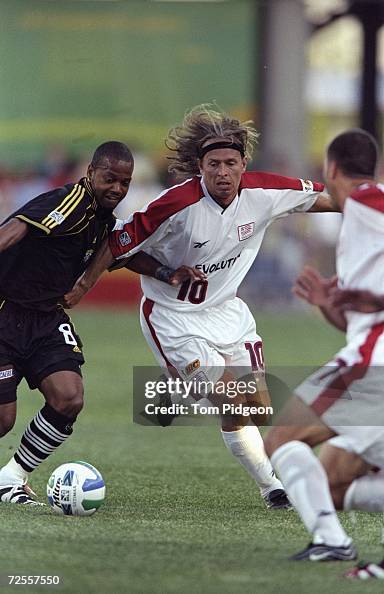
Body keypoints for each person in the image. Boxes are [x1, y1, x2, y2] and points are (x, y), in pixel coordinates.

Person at [65, 104, 337, 510]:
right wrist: (151, 274)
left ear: (244, 164)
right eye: (214, 164)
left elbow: (329, 199)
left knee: (259, 408)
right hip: (174, 319)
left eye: (230, 163)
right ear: (200, 166)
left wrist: (370, 204)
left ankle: (181, 390)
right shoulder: (174, 204)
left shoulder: (266, 191)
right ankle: (273, 488)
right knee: (230, 400)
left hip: (228, 314)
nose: (222, 172)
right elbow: (117, 249)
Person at [0, 140, 200, 505]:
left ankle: (11, 477)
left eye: (124, 183)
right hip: (4, 312)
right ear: (91, 173)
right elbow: (15, 228)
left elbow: (120, 255)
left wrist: (167, 272)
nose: (117, 189)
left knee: (68, 397)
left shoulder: (102, 221)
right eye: (110, 179)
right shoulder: (69, 203)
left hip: (45, 319)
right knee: (3, 420)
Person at [264, 128, 384, 563]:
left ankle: (331, 541)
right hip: (369, 356)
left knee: (281, 438)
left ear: (331, 169)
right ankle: (329, 537)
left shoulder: (367, 201)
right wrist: (327, 304)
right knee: (331, 482)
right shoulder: (361, 226)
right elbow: (359, 317)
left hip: (372, 366)